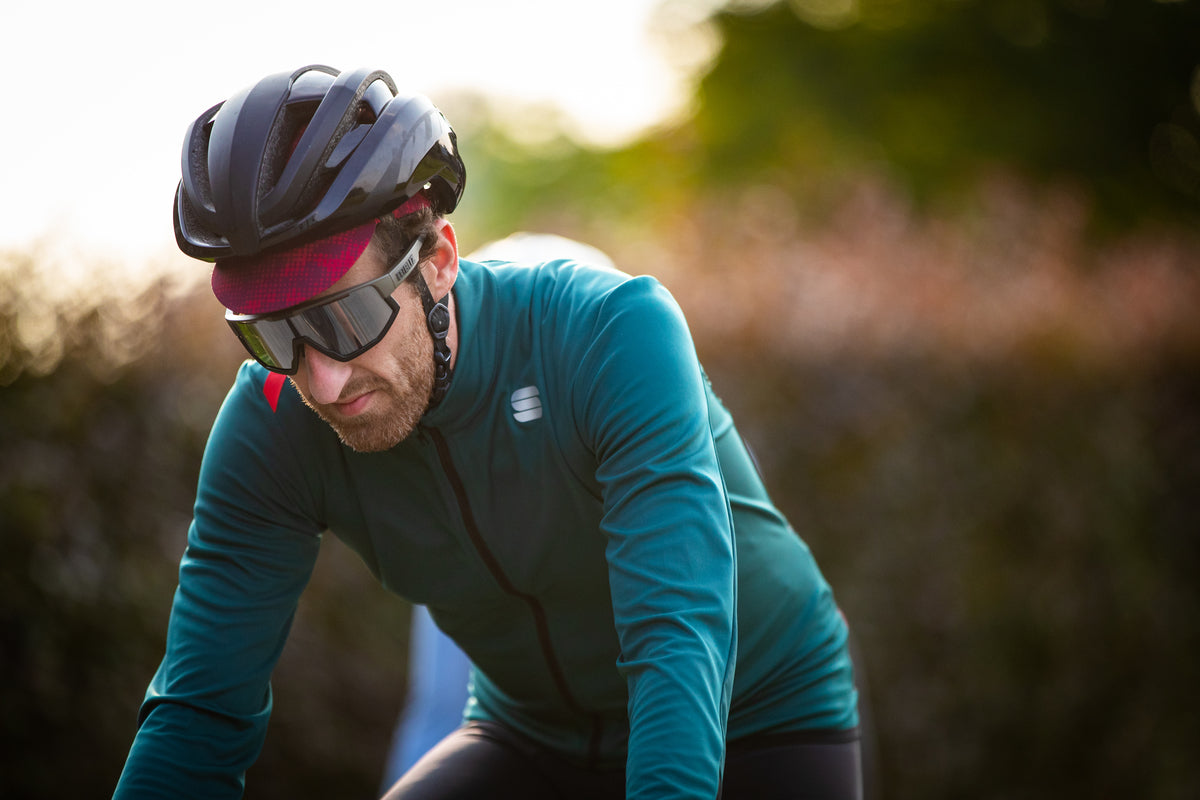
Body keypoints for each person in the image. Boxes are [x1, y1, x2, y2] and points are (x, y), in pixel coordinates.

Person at [114, 64, 863, 799]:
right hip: (530, 735)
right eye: (273, 338)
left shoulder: (611, 332)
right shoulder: (272, 421)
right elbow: (199, 712)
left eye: (345, 321)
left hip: (754, 714)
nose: (321, 381)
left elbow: (677, 638)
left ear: (437, 262)